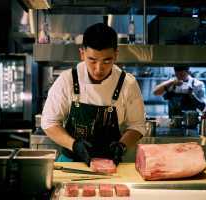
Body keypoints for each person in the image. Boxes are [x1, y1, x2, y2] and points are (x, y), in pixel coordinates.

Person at [41, 23, 146, 166]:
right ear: (82, 53)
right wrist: (74, 145)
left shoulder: (127, 84)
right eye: (92, 60)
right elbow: (49, 122)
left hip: (110, 165)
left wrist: (121, 145)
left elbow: (137, 125)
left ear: (116, 54)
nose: (98, 69)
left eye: (107, 61)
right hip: (71, 162)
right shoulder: (67, 80)